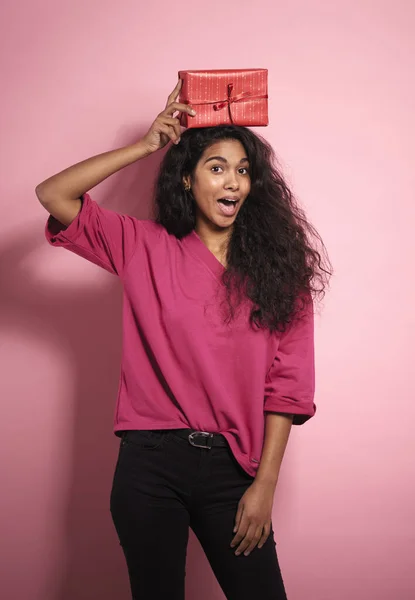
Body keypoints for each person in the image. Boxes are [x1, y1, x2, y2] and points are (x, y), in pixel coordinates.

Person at [36, 80, 332, 600]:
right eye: (217, 167)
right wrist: (146, 146)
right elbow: (53, 194)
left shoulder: (280, 273)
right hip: (150, 465)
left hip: (233, 469)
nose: (233, 182)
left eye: (243, 170)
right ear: (187, 179)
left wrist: (263, 486)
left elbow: (287, 388)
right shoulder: (142, 247)